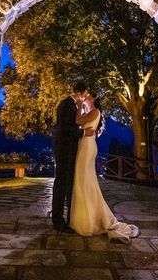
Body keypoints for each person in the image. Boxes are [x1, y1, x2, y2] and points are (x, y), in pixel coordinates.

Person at [70, 93, 139, 243]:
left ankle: (90, 220)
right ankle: (85, 216)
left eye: (86, 96)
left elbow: (77, 121)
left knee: (85, 180)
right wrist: (80, 107)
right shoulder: (89, 112)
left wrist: (80, 105)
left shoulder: (95, 112)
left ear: (93, 99)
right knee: (83, 180)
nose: (84, 97)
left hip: (87, 146)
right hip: (84, 144)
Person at [51, 80, 95, 232]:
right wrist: (83, 132)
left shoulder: (71, 105)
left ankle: (68, 218)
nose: (85, 97)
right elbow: (63, 129)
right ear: (81, 93)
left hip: (69, 150)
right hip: (63, 149)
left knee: (67, 183)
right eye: (85, 94)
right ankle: (57, 220)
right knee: (61, 183)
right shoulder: (65, 105)